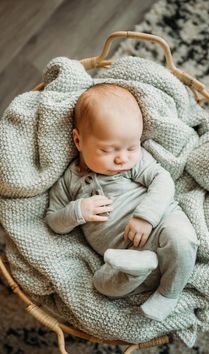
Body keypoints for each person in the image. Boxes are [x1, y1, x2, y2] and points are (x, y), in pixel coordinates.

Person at [45, 83, 199, 321]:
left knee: (182, 239)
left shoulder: (134, 165)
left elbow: (163, 181)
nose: (122, 158)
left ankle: (169, 293)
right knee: (102, 285)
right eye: (107, 150)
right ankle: (138, 267)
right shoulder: (69, 181)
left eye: (132, 147)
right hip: (124, 259)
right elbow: (54, 221)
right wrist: (77, 211)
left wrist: (145, 217)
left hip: (159, 228)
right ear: (78, 140)